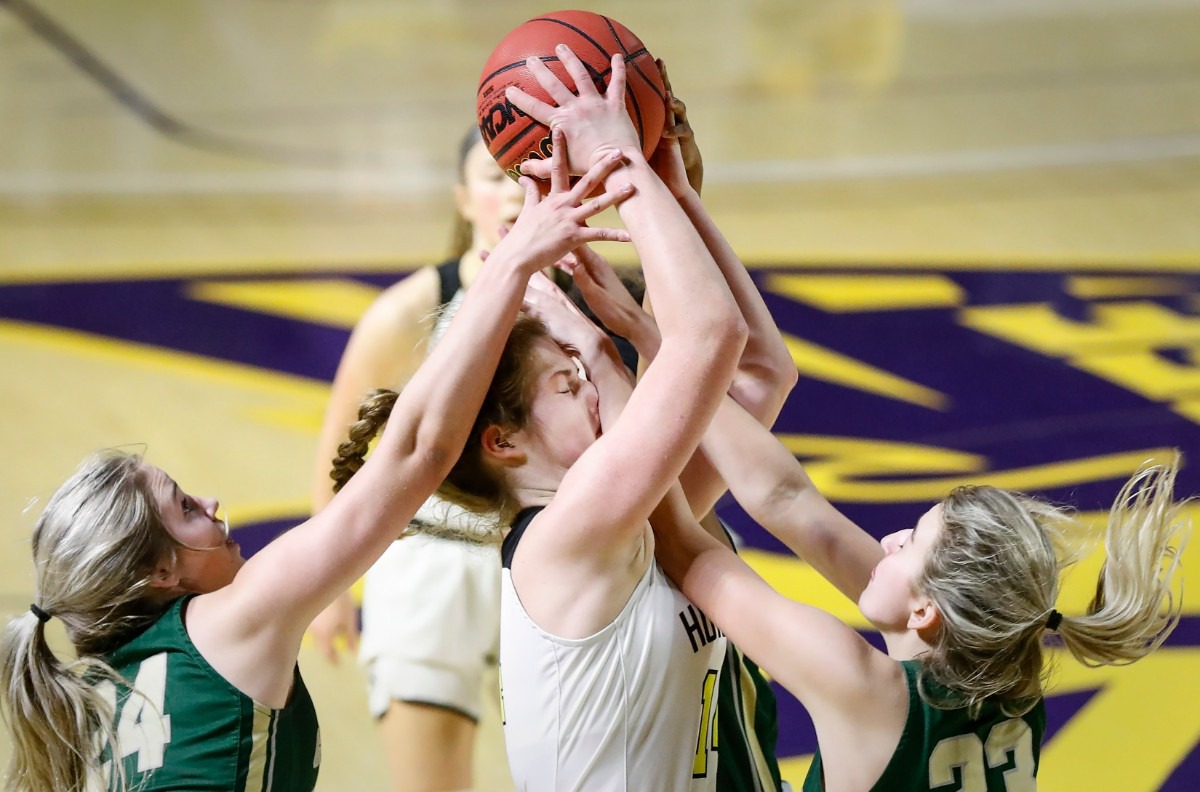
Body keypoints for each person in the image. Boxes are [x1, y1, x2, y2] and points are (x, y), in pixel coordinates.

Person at [0, 143, 634, 792]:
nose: (214, 503)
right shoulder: (229, 622)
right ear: (160, 571)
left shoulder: (106, 692)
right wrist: (513, 263)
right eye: (186, 508)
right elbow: (417, 453)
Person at [332, 45, 771, 790]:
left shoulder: (644, 523)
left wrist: (676, 190)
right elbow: (713, 344)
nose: (598, 388)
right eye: (570, 386)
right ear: (503, 442)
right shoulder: (573, 540)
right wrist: (622, 162)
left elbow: (752, 375)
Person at [647, 370, 1189, 789]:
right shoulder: (1009, 673)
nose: (887, 540)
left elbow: (683, 547)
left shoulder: (865, 686)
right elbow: (788, 500)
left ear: (928, 610)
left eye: (910, 542)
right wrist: (674, 355)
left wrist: (636, 368)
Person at [306, 124, 529, 792]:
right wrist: (332, 587)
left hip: (548, 554)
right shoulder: (406, 312)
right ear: (465, 200)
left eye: (530, 174)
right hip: (430, 561)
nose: (515, 193)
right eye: (496, 177)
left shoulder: (598, 307)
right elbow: (338, 455)